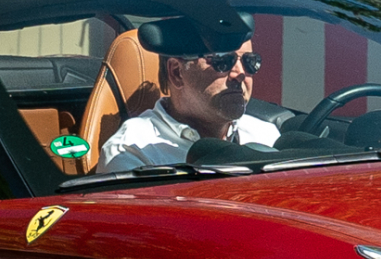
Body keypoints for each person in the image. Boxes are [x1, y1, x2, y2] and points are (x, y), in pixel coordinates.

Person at [95, 16, 282, 172]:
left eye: (250, 62)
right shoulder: (133, 152)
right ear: (177, 72)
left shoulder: (266, 136)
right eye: (223, 61)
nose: (240, 73)